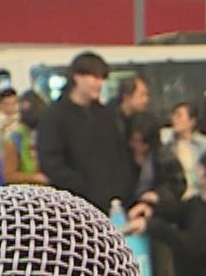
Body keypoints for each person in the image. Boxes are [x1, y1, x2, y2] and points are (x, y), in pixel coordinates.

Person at [39, 52, 137, 215]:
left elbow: (119, 155)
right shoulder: (55, 116)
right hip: (71, 206)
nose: (99, 84)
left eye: (102, 79)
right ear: (77, 77)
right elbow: (51, 163)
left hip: (110, 205)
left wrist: (121, 191)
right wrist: (84, 187)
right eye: (94, 77)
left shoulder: (105, 115)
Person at [167, 101, 206, 200]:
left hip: (200, 198)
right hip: (176, 199)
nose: (174, 119)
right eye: (173, 115)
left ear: (192, 121)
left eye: (179, 116)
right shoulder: (168, 147)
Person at [1, 91, 49, 187]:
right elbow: (9, 176)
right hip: (27, 191)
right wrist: (36, 177)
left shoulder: (50, 133)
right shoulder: (14, 139)